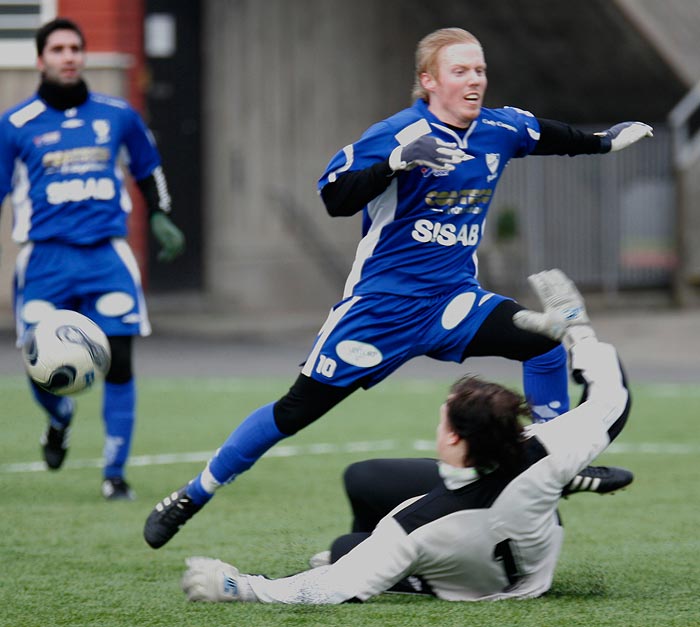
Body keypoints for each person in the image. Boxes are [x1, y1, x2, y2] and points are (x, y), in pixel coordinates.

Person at [144, 27, 646, 547]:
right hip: (381, 310)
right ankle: (193, 494)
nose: (474, 79)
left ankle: (555, 464)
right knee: (293, 411)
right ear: (428, 81)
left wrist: (605, 142)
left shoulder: (499, 128)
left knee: (544, 345)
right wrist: (394, 163)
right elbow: (335, 196)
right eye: (460, 71)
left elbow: (550, 136)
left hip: (453, 300)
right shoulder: (399, 132)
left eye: (479, 70)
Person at [179, 269, 631, 604]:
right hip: (527, 523)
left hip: (488, 580)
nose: (437, 427)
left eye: (443, 422)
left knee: (344, 554)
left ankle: (398, 569)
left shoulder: (416, 525)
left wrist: (241, 587)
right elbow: (612, 397)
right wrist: (577, 328)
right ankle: (569, 482)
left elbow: (331, 587)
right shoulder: (543, 449)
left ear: (457, 443)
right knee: (365, 478)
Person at [0, 18, 185, 500]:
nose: (68, 56)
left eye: (75, 48)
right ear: (41, 59)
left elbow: (149, 168)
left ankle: (114, 473)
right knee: (38, 363)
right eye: (58, 48)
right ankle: (59, 420)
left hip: (106, 257)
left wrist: (161, 215)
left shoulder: (117, 115)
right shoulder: (15, 125)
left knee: (119, 361)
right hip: (45, 262)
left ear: (82, 57)